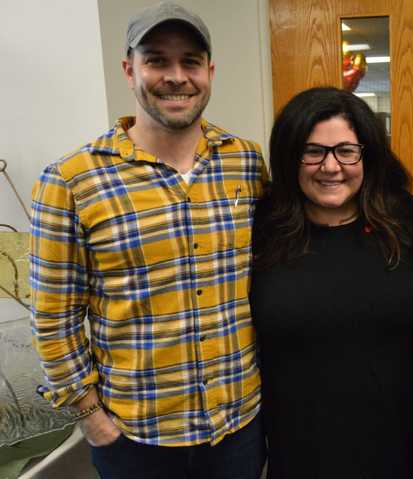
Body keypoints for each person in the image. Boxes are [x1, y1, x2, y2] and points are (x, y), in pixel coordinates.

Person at [29, 3, 267, 478]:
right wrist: (91, 420)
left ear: (209, 72)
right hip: (136, 441)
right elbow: (54, 319)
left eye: (190, 62)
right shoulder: (72, 180)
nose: (176, 76)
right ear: (129, 69)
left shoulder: (245, 162)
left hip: (238, 428)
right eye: (157, 60)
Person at [250, 87, 413, 478]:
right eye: (312, 151)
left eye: (347, 151)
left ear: (367, 155)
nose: (331, 167)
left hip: (399, 449)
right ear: (289, 156)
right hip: (299, 450)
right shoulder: (261, 227)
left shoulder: (406, 221)